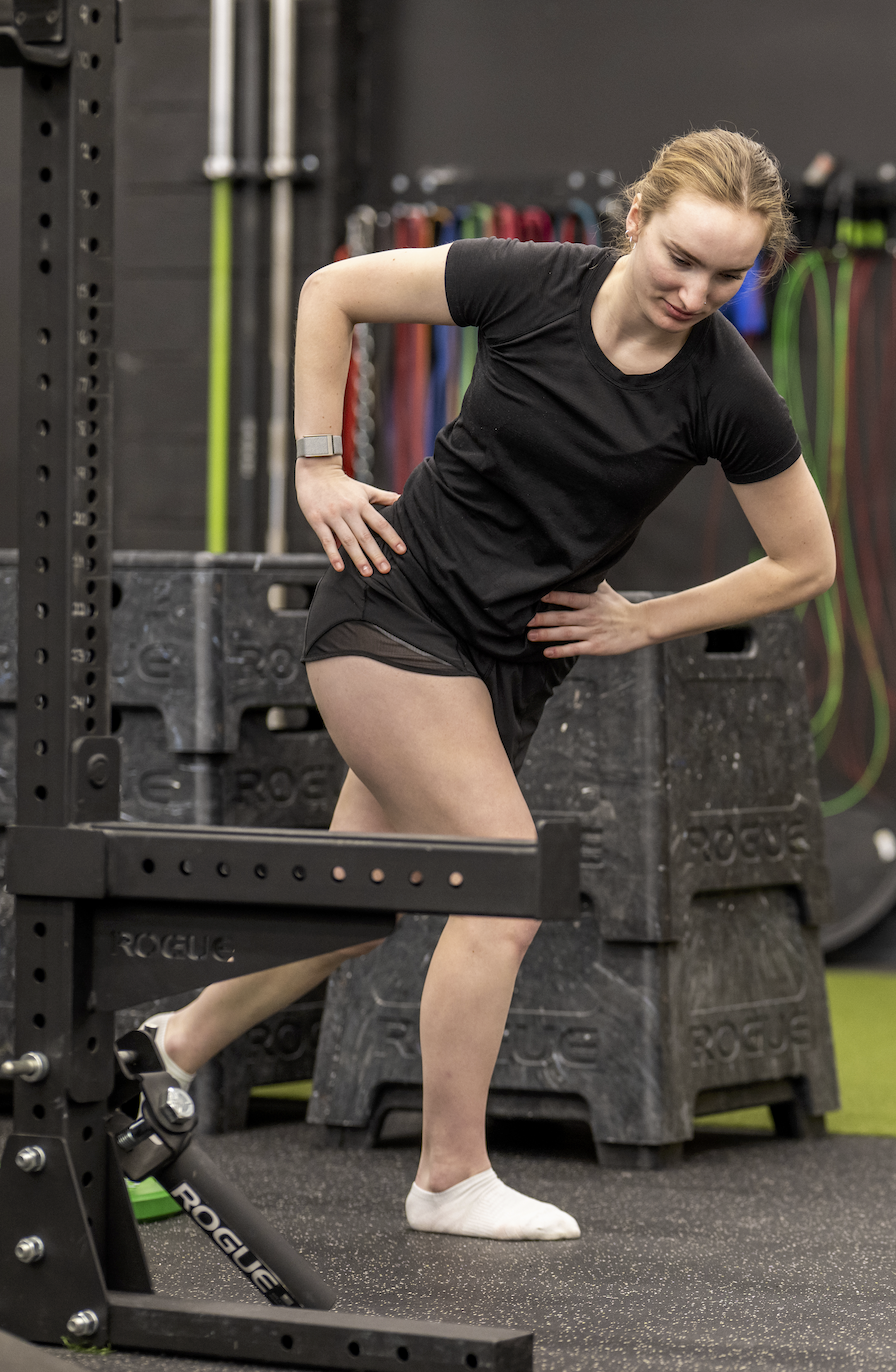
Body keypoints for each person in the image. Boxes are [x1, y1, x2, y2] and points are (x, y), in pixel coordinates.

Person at [132, 129, 835, 1241]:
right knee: (504, 889)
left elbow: (805, 561)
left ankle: (158, 1057)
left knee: (350, 912)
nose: (695, 293)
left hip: (508, 668)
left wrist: (646, 619)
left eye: (727, 274)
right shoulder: (526, 282)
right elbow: (331, 292)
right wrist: (318, 466)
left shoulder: (723, 389)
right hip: (392, 610)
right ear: (637, 219)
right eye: (681, 259)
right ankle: (450, 1177)